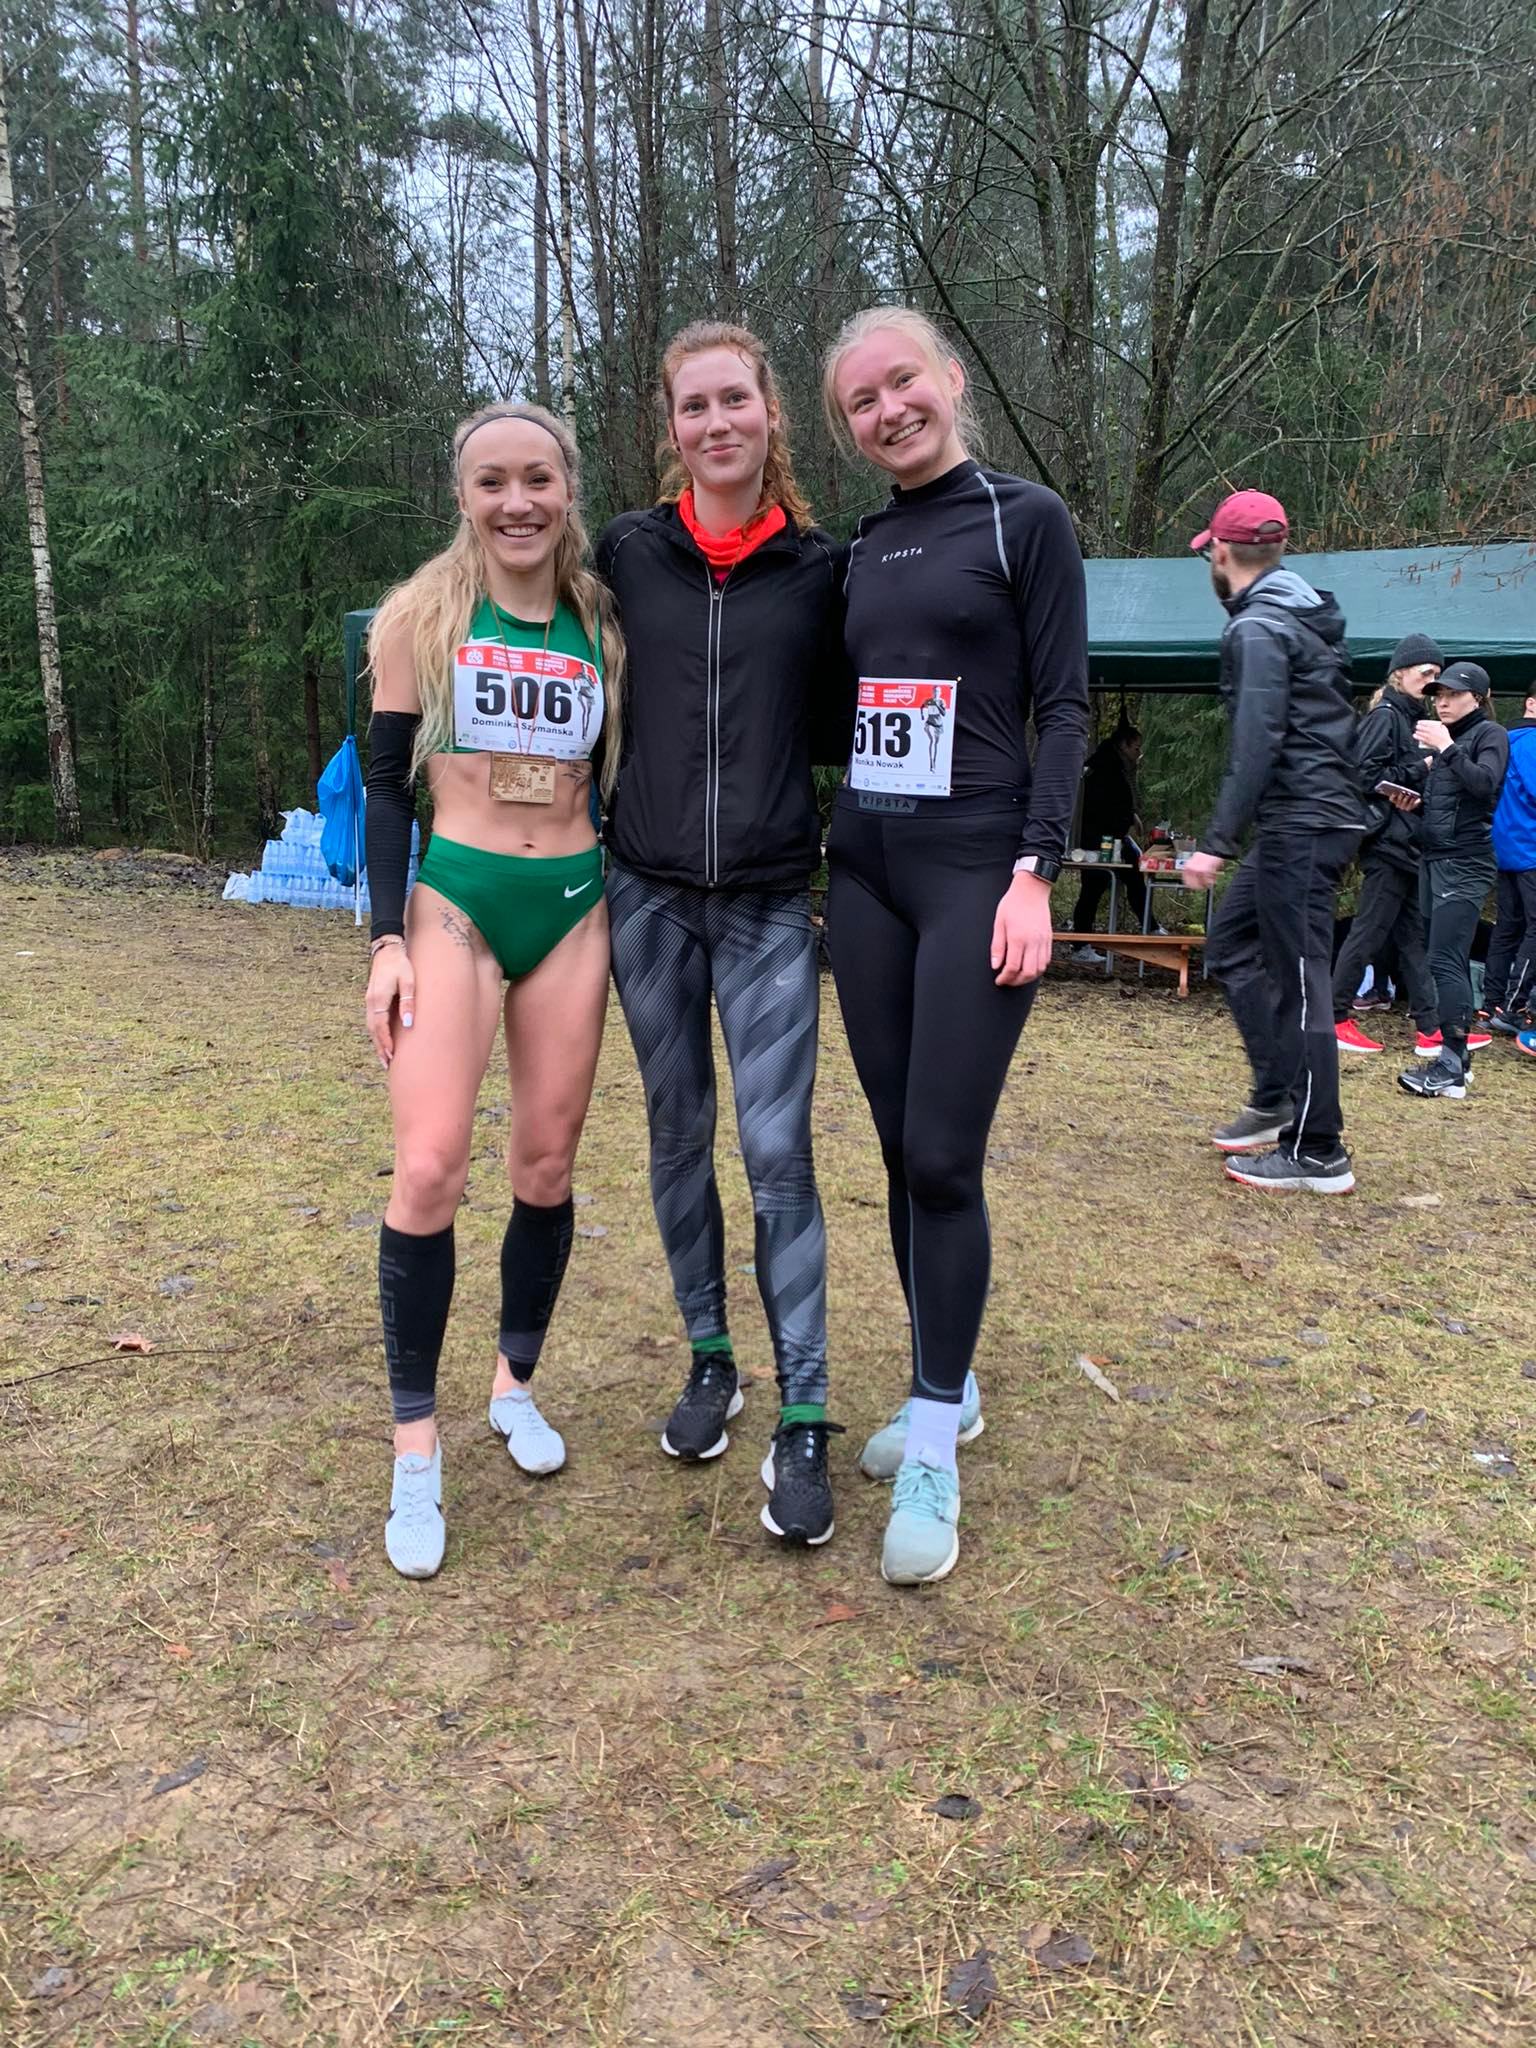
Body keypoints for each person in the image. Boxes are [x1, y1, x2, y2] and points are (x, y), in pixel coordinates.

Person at [822, 305, 1088, 1586]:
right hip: (864, 870)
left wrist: (1037, 870)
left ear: (950, 377)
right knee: (894, 1146)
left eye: (902, 382)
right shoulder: (861, 548)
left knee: (941, 1153)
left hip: (978, 870)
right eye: (861, 402)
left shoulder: (1024, 519)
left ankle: (933, 1444)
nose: (888, 411)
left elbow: (1067, 707)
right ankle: (951, 1380)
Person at [596, 322, 851, 1548]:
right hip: (644, 895)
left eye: (734, 400)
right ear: (672, 426)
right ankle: (711, 1355)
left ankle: (803, 1412)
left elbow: (858, 714)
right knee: (676, 1131)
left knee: (778, 1150)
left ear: (770, 413)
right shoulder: (626, 554)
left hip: (765, 902)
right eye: (693, 406)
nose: (716, 423)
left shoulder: (822, 569)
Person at [362, 402, 624, 1579]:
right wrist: (386, 939)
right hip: (456, 903)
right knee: (429, 1166)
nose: (517, 502)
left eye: (537, 478)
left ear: (567, 486)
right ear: (462, 495)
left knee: (546, 1165)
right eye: (491, 482)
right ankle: (416, 1448)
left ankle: (513, 1383)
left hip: (572, 904)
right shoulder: (419, 616)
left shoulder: (604, 621)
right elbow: (384, 786)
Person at [1181, 490, 1362, 1194]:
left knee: (1300, 979)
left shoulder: (1259, 628)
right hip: (1307, 816)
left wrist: (1217, 842)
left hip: (1305, 820)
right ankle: (1278, 1095)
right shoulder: (1297, 615)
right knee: (1230, 941)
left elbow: (1256, 739)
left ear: (1222, 553)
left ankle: (1318, 1150)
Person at [1397, 662, 1509, 1099]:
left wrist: (1445, 748)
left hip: (1465, 863)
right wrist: (1416, 804)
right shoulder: (1452, 742)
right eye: (1438, 695)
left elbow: (1486, 785)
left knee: (1446, 960)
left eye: (1452, 695)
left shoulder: (1488, 735)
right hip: (1435, 859)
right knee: (1444, 958)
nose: (1441, 702)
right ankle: (1456, 1061)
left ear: (1477, 698)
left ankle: (1450, 1063)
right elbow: (1451, 806)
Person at [1331, 635, 1443, 1054]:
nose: (1433, 682)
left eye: (1438, 675)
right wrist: (1420, 768)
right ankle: (1334, 1017)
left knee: (1412, 940)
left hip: (1407, 843)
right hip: (1386, 843)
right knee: (1368, 933)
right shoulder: (1386, 716)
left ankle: (1431, 1029)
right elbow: (1362, 776)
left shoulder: (1414, 719)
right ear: (1401, 673)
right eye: (1426, 673)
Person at [1481, 685, 1536, 1036]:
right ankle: (1514, 1005)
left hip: (1505, 849)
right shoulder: (1531, 741)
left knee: (1507, 928)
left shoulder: (1502, 739)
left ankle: (1490, 1005)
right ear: (1531, 703)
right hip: (1530, 848)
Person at [1069, 714, 1148, 958]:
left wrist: (1130, 816)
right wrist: (1122, 823)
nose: (1138, 753)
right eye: (1136, 748)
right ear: (1123, 745)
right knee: (1094, 885)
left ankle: (1150, 925)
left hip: (1110, 836)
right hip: (1097, 838)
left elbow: (1116, 803)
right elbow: (1102, 806)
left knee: (1132, 873)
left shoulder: (1111, 764)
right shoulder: (1105, 767)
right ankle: (1080, 944)